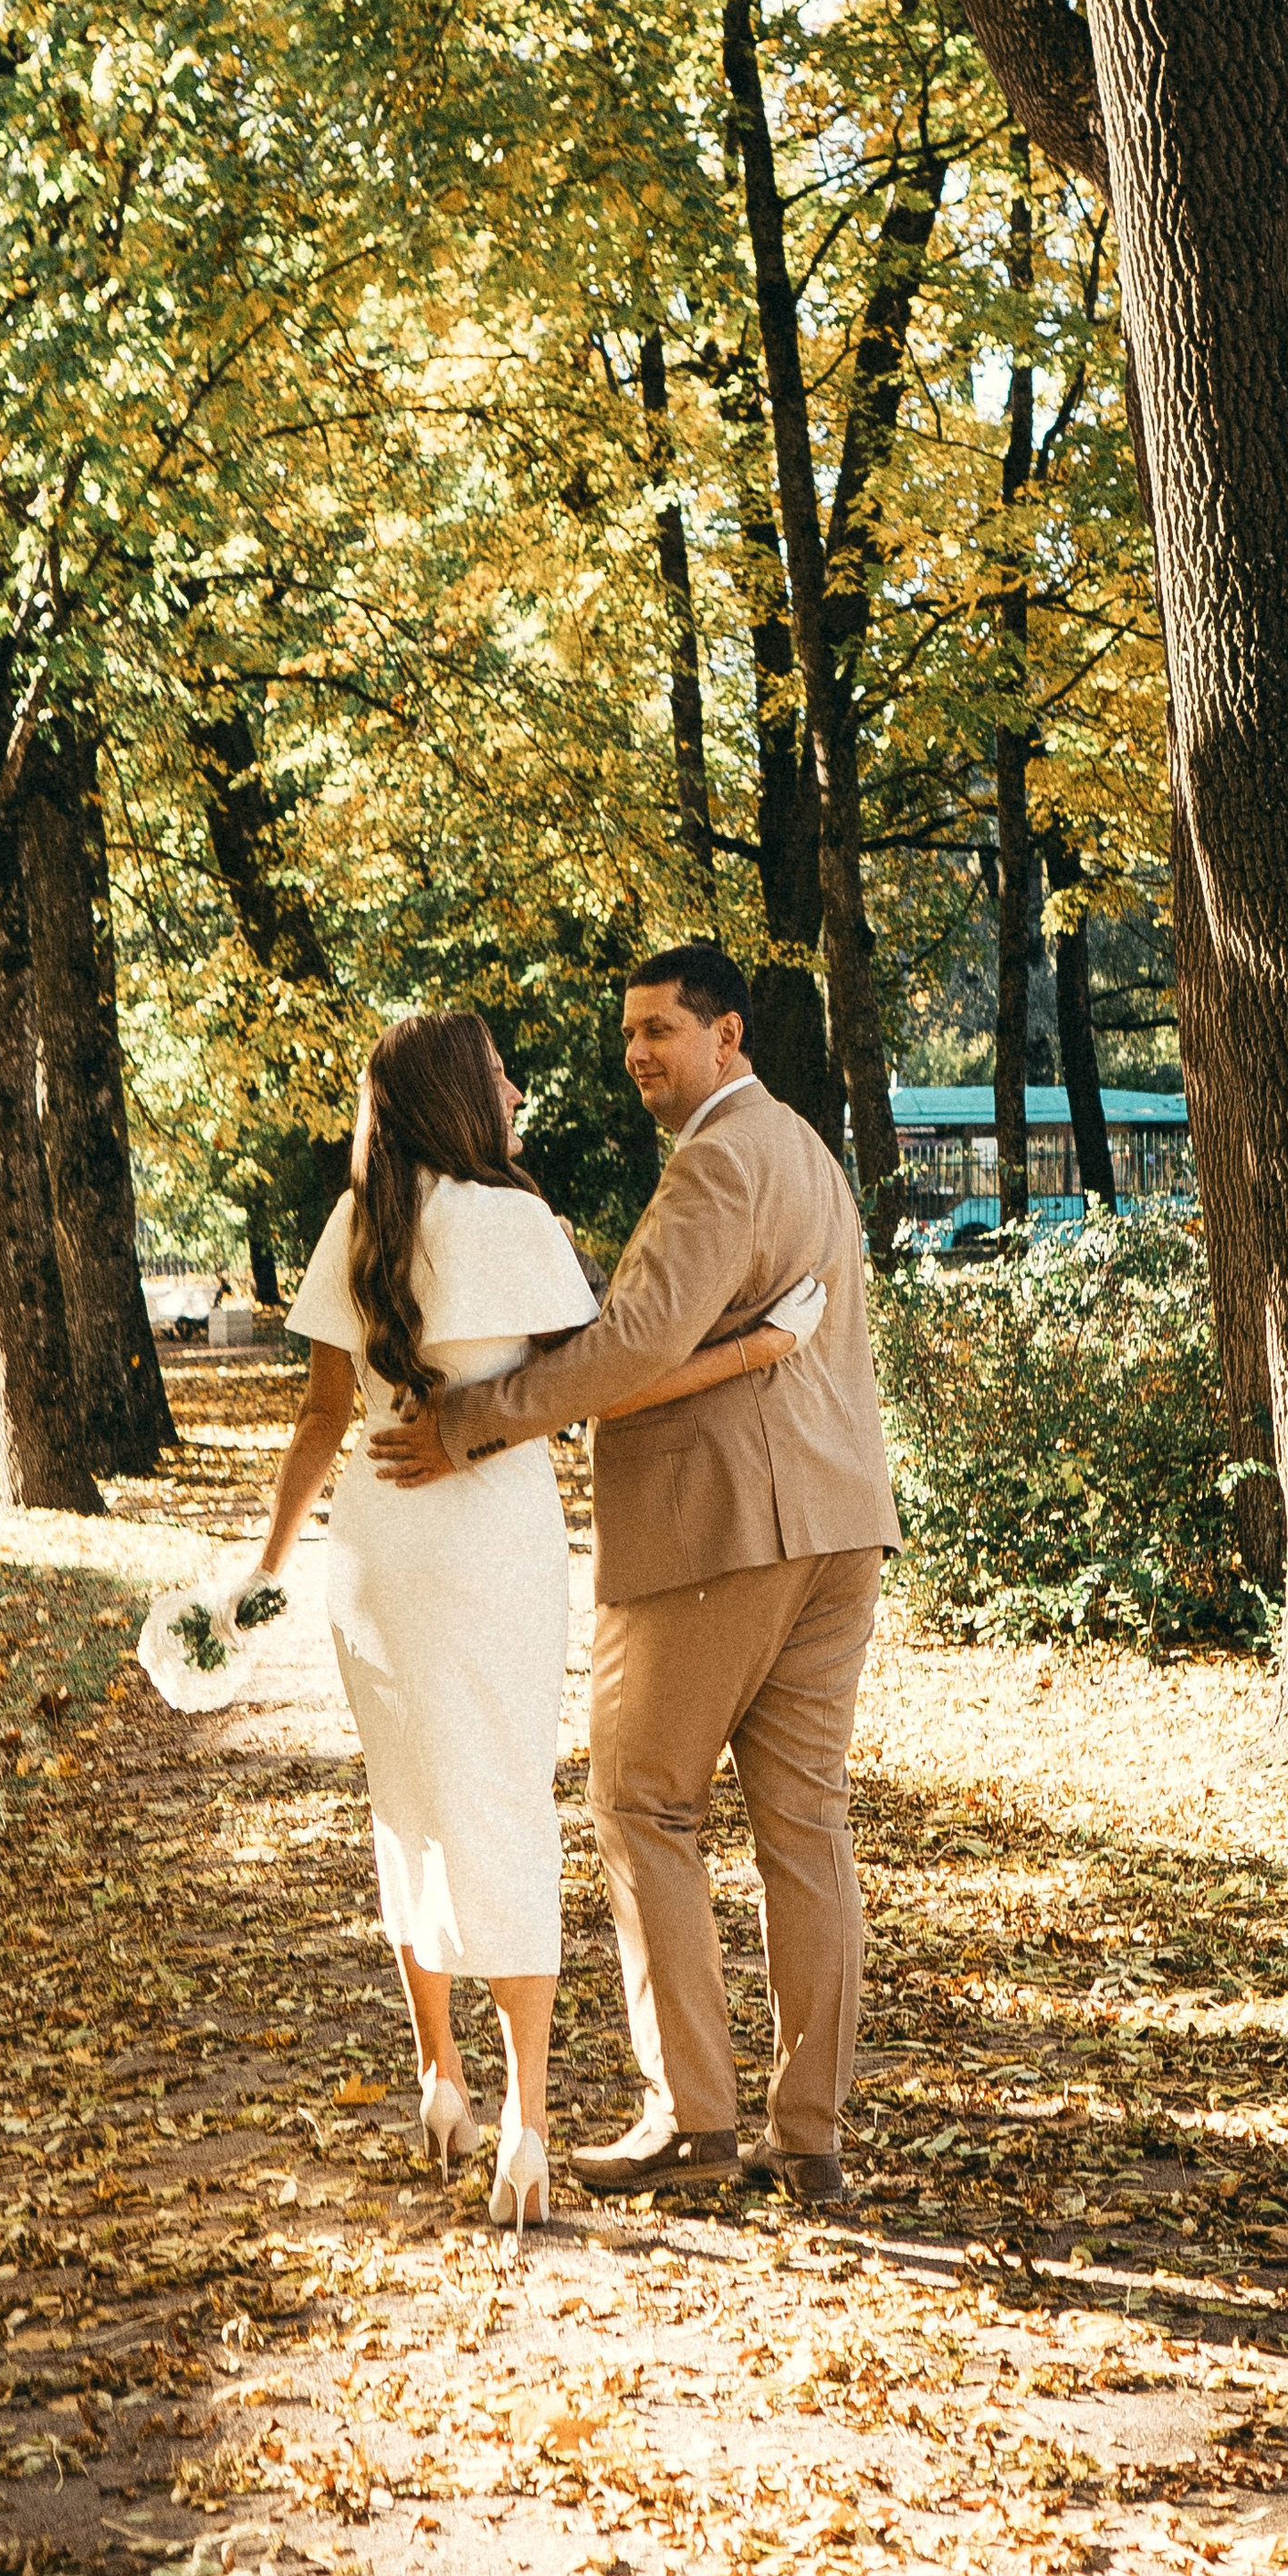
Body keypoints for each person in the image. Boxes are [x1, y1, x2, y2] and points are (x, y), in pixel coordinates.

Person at [249, 1009, 819, 2229]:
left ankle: (436, 2077)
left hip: (375, 1545)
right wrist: (760, 1346)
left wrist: (265, 1566)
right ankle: (526, 2120)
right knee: (502, 1798)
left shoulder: (354, 1225)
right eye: (502, 1078)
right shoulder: (512, 1221)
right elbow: (618, 1378)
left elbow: (316, 1417)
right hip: (486, 1538)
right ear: (461, 1096)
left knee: (406, 1802)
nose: (516, 1096)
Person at [369, 946, 899, 2211]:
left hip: (720, 1532)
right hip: (836, 1524)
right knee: (804, 1824)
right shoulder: (807, 1153)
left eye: (663, 1030)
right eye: (629, 1036)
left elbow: (635, 1342)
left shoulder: (721, 1153)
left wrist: (473, 1423)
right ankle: (809, 2137)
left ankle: (694, 2120)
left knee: (642, 1805)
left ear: (729, 1039)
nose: (639, 1055)